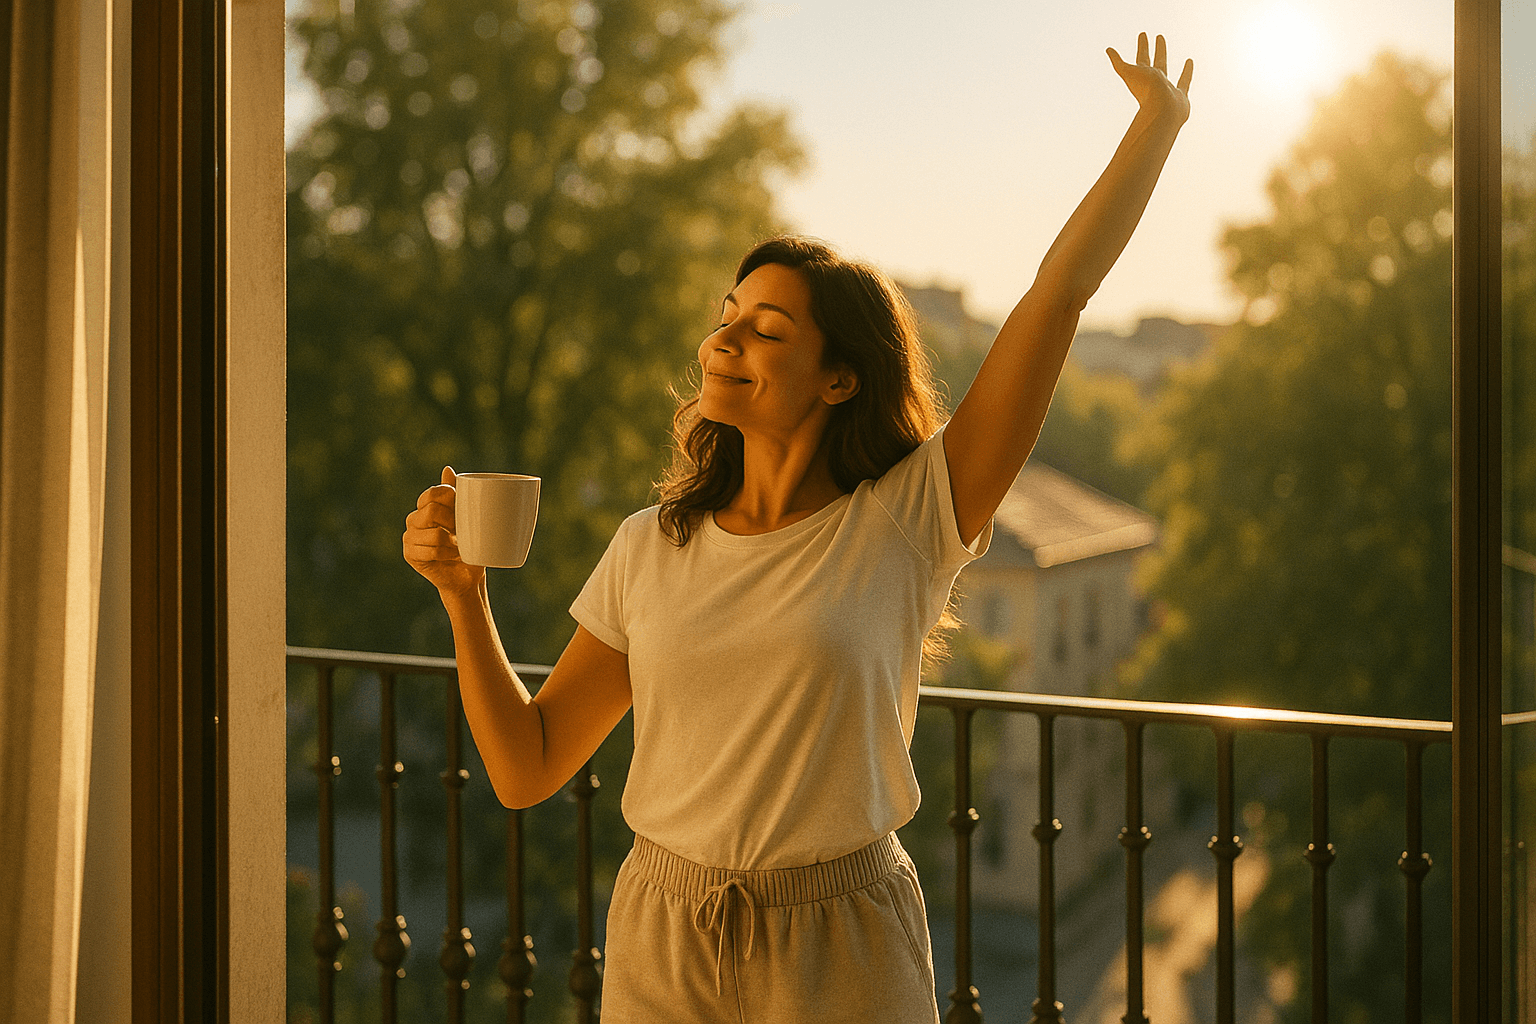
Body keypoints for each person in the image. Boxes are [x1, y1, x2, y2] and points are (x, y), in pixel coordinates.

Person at [404, 33, 1193, 1024]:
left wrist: (1155, 130)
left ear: (839, 377)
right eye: (728, 315)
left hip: (841, 946)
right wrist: (464, 599)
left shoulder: (909, 521)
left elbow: (1056, 299)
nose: (725, 337)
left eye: (767, 328)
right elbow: (527, 767)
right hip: (663, 936)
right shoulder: (650, 546)